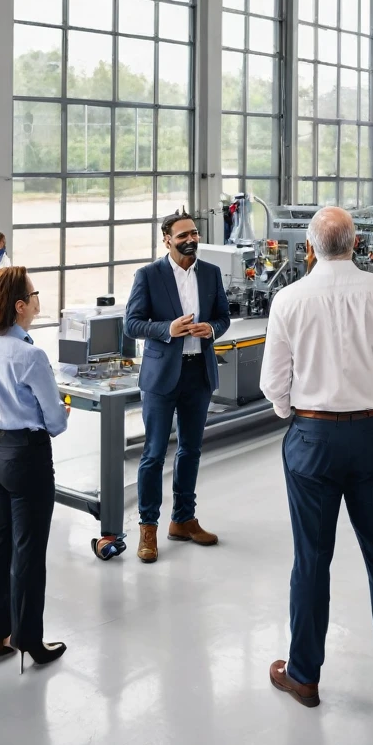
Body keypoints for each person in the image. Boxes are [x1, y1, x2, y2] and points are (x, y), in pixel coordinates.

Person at [260, 207, 373, 710]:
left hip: (311, 436)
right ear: (355, 245)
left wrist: (300, 415)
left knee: (311, 558)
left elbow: (273, 382)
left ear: (309, 247)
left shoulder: (289, 298)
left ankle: (304, 675)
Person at [0, 267, 68, 669]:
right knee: (28, 550)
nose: (39, 299)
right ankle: (30, 639)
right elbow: (55, 423)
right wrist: (58, 412)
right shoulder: (29, 354)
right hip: (25, 455)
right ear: (20, 306)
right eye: (34, 293)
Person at [124, 209, 230, 564]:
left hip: (198, 372)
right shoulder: (149, 275)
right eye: (183, 235)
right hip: (161, 377)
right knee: (154, 453)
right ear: (167, 239)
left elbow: (223, 317)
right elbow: (132, 324)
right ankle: (148, 528)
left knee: (191, 450)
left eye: (194, 233)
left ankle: (183, 519)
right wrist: (167, 329)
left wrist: (211, 330)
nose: (190, 240)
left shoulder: (211, 273)